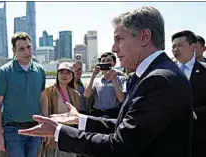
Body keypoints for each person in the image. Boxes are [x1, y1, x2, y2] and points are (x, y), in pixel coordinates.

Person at [18, 6, 193, 157]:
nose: (113, 48)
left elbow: (120, 145)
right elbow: (128, 127)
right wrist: (81, 120)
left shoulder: (159, 80)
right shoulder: (153, 75)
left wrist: (59, 131)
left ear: (144, 37)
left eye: (119, 39)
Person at [0, 32, 47, 157]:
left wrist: (45, 125)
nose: (27, 51)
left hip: (35, 130)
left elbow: (43, 99)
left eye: (28, 47)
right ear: (14, 51)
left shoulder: (40, 71)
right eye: (21, 49)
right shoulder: (4, 72)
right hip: (13, 131)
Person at [172, 30, 206, 157]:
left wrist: (195, 113)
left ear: (193, 47)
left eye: (180, 45)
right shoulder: (165, 71)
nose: (175, 49)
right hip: (171, 136)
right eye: (173, 46)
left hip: (199, 135)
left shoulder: (204, 71)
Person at [41, 62, 80, 157]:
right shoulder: (48, 91)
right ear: (57, 75)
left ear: (72, 76)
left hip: (69, 132)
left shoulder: (75, 94)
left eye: (68, 73)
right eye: (61, 72)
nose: (64, 75)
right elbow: (44, 112)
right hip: (53, 130)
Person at [84, 52, 127, 118]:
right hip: (98, 114)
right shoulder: (96, 81)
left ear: (114, 63)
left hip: (114, 114)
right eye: (103, 61)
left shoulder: (122, 79)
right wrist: (93, 76)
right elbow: (86, 95)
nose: (105, 63)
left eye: (108, 61)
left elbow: (121, 99)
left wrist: (114, 80)